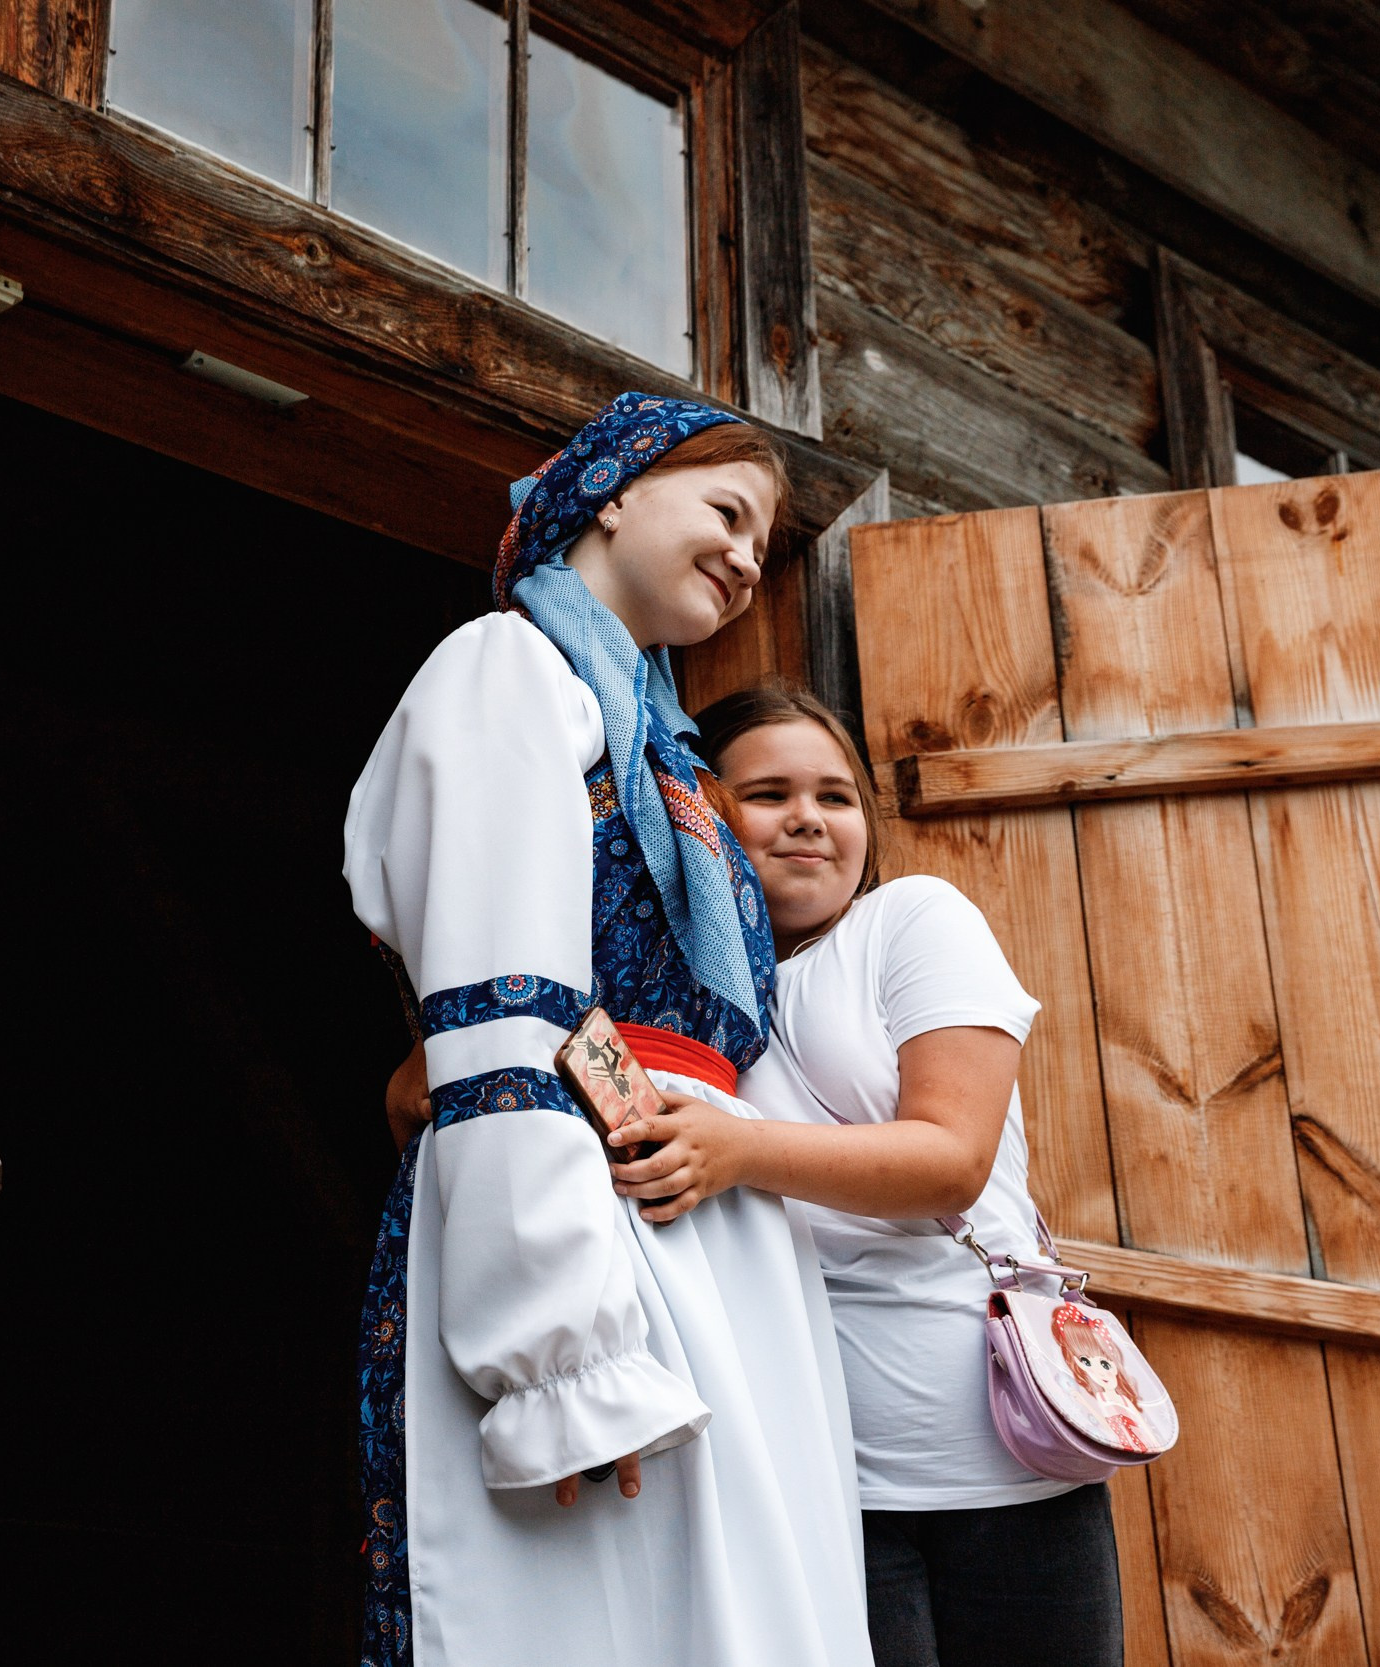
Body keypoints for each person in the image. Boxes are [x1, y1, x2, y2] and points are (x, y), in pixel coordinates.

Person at [388, 686, 1124, 1667]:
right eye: (769, 792)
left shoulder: (910, 921)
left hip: (1009, 1466)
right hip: (814, 1481)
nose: (810, 817)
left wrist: (737, 1149)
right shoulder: (680, 1016)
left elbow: (950, 1159)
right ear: (700, 821)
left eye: (837, 795)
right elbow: (423, 1090)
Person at [345, 393, 871, 1667]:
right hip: (587, 1225)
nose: (751, 559)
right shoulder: (504, 670)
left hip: (708, 1233)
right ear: (616, 491)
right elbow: (503, 1008)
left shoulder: (670, 760)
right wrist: (558, 1356)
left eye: (765, 541)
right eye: (727, 512)